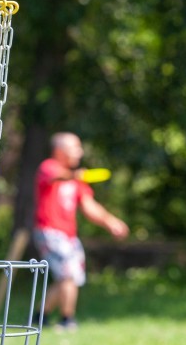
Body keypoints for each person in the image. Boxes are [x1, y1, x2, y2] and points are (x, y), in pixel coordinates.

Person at [33, 132, 129, 331]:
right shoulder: (49, 167)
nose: (80, 152)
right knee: (69, 275)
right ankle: (67, 321)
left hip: (69, 235)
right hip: (49, 231)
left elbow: (89, 207)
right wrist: (74, 176)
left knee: (70, 277)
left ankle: (39, 318)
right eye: (75, 147)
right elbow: (54, 176)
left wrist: (111, 222)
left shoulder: (77, 180)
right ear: (60, 151)